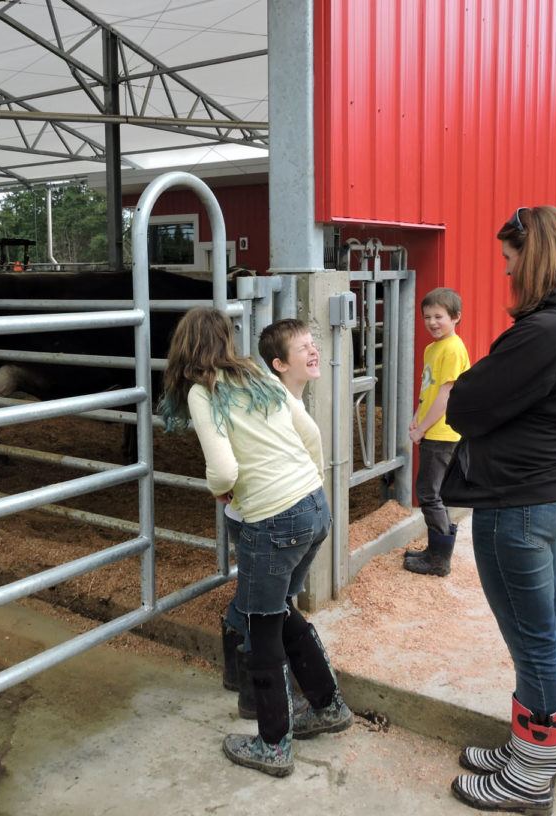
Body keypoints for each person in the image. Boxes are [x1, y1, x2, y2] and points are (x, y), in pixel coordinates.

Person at [441, 206, 556, 813]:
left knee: (534, 642)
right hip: (548, 492)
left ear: (537, 254)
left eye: (510, 258)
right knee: (547, 631)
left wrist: (464, 390)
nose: (506, 272)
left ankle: (530, 777)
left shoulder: (546, 329)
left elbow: (465, 406)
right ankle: (531, 749)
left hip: (516, 500)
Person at [160, 308, 351, 778]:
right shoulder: (258, 374)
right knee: (281, 609)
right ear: (226, 338)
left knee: (261, 625)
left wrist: (220, 489)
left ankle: (273, 744)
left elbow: (223, 469)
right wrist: (310, 484)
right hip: (313, 505)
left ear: (182, 349)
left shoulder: (204, 391)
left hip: (272, 518)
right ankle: (327, 707)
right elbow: (309, 432)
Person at [220, 319, 322, 700]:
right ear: (278, 364)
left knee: (264, 600)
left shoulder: (285, 397)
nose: (314, 352)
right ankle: (255, 687)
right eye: (303, 348)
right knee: (264, 605)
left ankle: (238, 670)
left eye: (313, 344)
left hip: (281, 509)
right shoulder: (271, 396)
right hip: (260, 513)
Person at [403, 288, 470, 577]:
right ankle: (435, 550)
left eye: (439, 316)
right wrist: (416, 419)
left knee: (428, 494)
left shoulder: (453, 348)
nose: (432, 322)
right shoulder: (432, 348)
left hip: (442, 432)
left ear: (455, 317)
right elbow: (427, 391)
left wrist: (424, 428)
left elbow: (445, 396)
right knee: (433, 492)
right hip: (431, 428)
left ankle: (439, 559)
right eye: (427, 317)